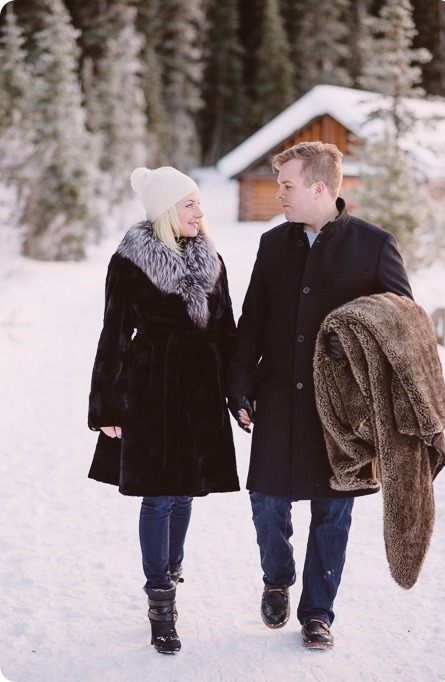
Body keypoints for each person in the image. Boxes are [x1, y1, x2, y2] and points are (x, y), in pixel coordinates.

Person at [227, 141, 412, 649]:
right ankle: (277, 577)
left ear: (319, 187)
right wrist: (239, 383)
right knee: (266, 498)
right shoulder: (272, 244)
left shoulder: (374, 245)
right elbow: (253, 320)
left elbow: (403, 322)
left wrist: (355, 340)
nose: (279, 194)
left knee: (334, 510)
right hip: (278, 395)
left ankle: (318, 612)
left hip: (344, 409)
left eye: (287, 185)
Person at [87, 166, 240, 655]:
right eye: (190, 204)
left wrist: (238, 394)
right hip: (150, 386)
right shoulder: (129, 262)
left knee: (185, 493)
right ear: (166, 212)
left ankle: (171, 568)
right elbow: (112, 333)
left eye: (199, 202)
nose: (201, 211)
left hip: (199, 389)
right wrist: (107, 403)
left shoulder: (212, 258)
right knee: (157, 496)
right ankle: (161, 601)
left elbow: (227, 333)